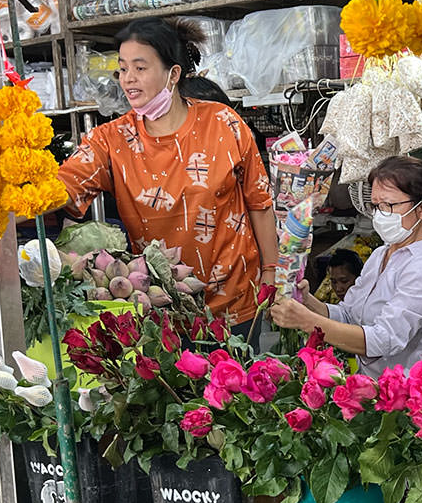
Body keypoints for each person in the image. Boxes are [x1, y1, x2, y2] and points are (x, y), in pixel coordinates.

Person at [57, 18, 279, 333]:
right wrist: (4, 199)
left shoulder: (223, 123)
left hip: (235, 302)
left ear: (173, 74)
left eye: (140, 68)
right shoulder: (110, 140)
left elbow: (259, 202)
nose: (128, 79)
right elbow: (62, 187)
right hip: (161, 308)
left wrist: (271, 272)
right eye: (122, 69)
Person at [270, 156, 422, 376]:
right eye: (376, 206)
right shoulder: (381, 254)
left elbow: (385, 339)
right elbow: (349, 315)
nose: (380, 215)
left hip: (410, 392)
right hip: (373, 387)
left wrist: (308, 322)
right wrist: (307, 301)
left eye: (389, 205)